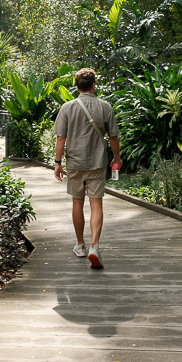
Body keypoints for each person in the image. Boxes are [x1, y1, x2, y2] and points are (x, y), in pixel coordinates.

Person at [53, 67, 122, 269]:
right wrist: (116, 157)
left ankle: (80, 245)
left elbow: (61, 138)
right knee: (96, 203)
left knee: (77, 202)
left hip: (74, 162)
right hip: (97, 162)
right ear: (94, 85)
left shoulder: (67, 107)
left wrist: (57, 163)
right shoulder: (105, 107)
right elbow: (113, 136)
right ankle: (95, 245)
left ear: (77, 86)